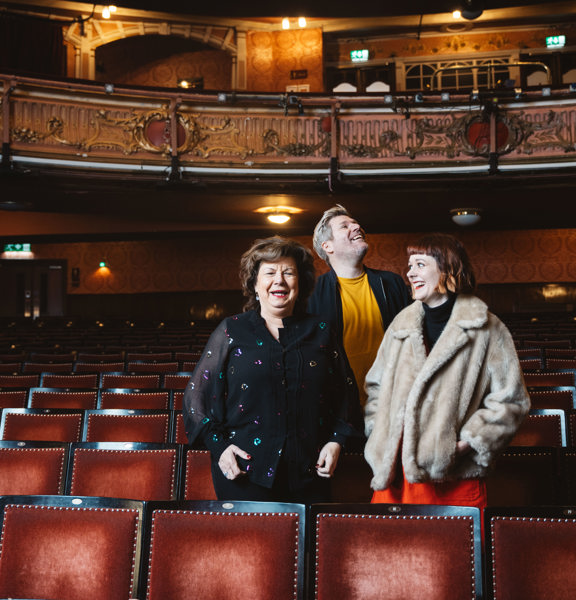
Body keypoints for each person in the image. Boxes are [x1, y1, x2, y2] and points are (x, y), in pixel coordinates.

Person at [183, 236, 360, 503]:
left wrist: (337, 442)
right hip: (244, 472)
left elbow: (347, 397)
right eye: (269, 272)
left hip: (312, 471)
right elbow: (195, 400)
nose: (280, 280)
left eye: (288, 272)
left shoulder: (322, 331)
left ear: (300, 284)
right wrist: (220, 449)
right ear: (255, 284)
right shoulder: (232, 330)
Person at [364, 233, 530, 510]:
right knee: (391, 552)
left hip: (453, 476)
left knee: (455, 552)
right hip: (395, 475)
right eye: (409, 265)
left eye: (420, 264)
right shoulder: (400, 324)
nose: (410, 273)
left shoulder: (487, 327)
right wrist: (380, 432)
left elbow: (511, 401)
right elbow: (376, 388)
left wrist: (464, 444)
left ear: (448, 268)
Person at [309, 204, 411, 408]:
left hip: (391, 402)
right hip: (339, 407)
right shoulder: (311, 293)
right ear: (328, 246)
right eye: (344, 226)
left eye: (356, 224)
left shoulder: (392, 283)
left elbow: (413, 341)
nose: (357, 227)